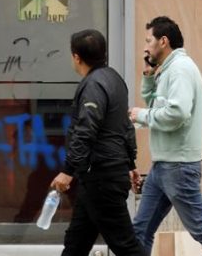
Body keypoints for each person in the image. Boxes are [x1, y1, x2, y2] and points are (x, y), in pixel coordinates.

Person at [128, 16, 202, 256]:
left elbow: (177, 113)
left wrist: (141, 115)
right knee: (140, 230)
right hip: (164, 166)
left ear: (163, 41)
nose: (145, 47)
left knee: (201, 230)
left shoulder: (180, 70)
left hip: (179, 167)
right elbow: (157, 105)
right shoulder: (167, 70)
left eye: (149, 40)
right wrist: (148, 76)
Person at [50, 29, 145, 256]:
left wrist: (67, 171)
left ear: (76, 57)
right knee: (76, 244)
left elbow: (86, 131)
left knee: (126, 246)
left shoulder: (93, 85)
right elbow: (124, 126)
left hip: (102, 176)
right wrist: (130, 163)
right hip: (98, 176)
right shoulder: (115, 80)